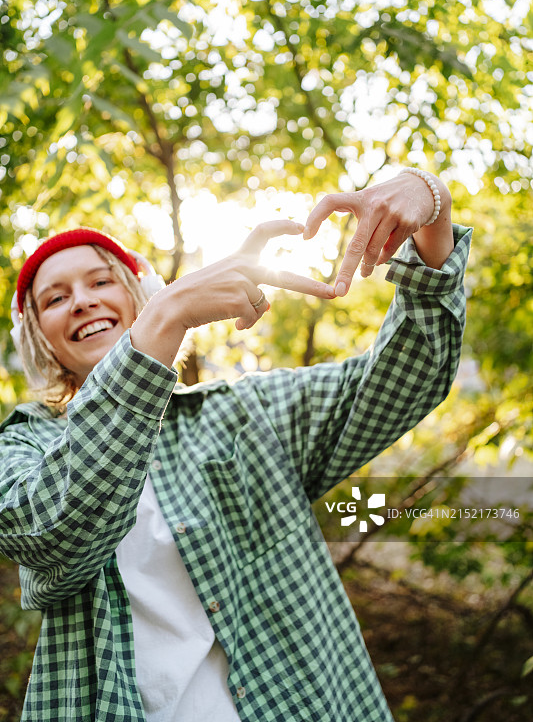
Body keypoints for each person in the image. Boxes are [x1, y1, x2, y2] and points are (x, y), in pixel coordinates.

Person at [0, 171, 472, 722]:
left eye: (100, 282)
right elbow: (52, 534)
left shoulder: (246, 413)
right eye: (55, 298)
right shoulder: (23, 444)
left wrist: (432, 205)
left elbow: (405, 377)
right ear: (37, 336)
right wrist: (167, 316)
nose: (81, 301)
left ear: (136, 295)